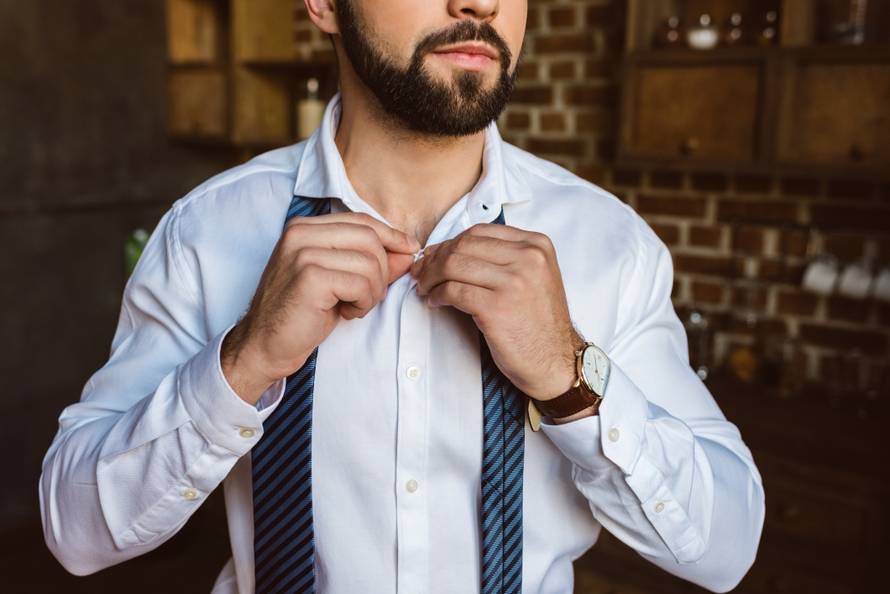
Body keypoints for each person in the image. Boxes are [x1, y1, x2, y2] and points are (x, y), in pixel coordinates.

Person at [39, 0, 765, 593]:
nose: (481, 4)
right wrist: (244, 361)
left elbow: (725, 547)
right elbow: (76, 534)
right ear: (324, 5)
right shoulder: (206, 233)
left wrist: (569, 374)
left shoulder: (609, 244)